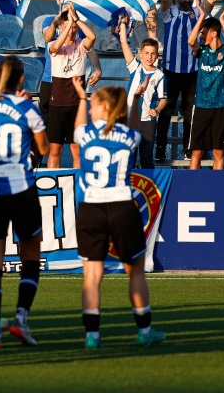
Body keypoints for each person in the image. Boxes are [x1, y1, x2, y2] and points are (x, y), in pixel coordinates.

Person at [71, 75, 166, 348]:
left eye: (94, 103)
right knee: (135, 272)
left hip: (91, 207)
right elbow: (134, 126)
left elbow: (79, 126)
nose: (90, 107)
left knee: (91, 275)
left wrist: (81, 96)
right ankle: (145, 331)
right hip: (122, 206)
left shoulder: (85, 134)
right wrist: (136, 98)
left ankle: (92, 336)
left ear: (103, 106)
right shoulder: (129, 135)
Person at [0, 56, 50, 349]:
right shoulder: (27, 108)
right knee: (30, 255)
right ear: (19, 80)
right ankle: (21, 318)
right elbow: (43, 148)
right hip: (21, 188)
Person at [156, 0, 218, 161]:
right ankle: (160, 148)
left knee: (190, 114)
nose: (186, 0)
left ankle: (188, 149)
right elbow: (164, 1)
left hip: (192, 73)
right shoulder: (170, 13)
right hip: (170, 72)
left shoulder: (198, 14)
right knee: (165, 113)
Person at [187, 0, 224, 170]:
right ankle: (192, 186)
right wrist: (201, 16)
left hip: (221, 106)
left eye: (204, 32)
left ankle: (218, 188)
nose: (201, 35)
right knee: (197, 151)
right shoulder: (202, 51)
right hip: (201, 105)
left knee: (218, 152)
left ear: (213, 33)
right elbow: (190, 41)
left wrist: (222, 21)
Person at [47, 3, 96, 168]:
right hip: (58, 103)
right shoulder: (53, 45)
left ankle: (77, 187)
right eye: (68, 27)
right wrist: (67, 26)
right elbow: (55, 46)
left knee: (77, 150)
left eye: (74, 27)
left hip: (76, 105)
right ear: (61, 27)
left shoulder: (81, 45)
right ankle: (53, 183)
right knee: (55, 150)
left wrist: (77, 19)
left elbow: (92, 37)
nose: (73, 30)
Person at [39, 0, 102, 119]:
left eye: (70, 1)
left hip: (73, 81)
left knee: (74, 119)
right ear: (58, 1)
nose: (67, 5)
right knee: (47, 118)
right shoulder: (50, 20)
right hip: (50, 78)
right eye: (64, 1)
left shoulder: (79, 26)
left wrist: (98, 69)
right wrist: (55, 23)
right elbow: (47, 38)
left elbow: (90, 49)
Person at [118, 17, 167, 168]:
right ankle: (127, 189)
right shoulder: (135, 67)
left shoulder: (160, 75)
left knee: (146, 158)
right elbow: (124, 43)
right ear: (140, 53)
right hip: (129, 119)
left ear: (157, 55)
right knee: (128, 159)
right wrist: (123, 24)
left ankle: (147, 189)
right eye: (146, 53)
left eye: (153, 53)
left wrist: (157, 109)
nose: (149, 57)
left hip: (147, 121)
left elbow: (163, 99)